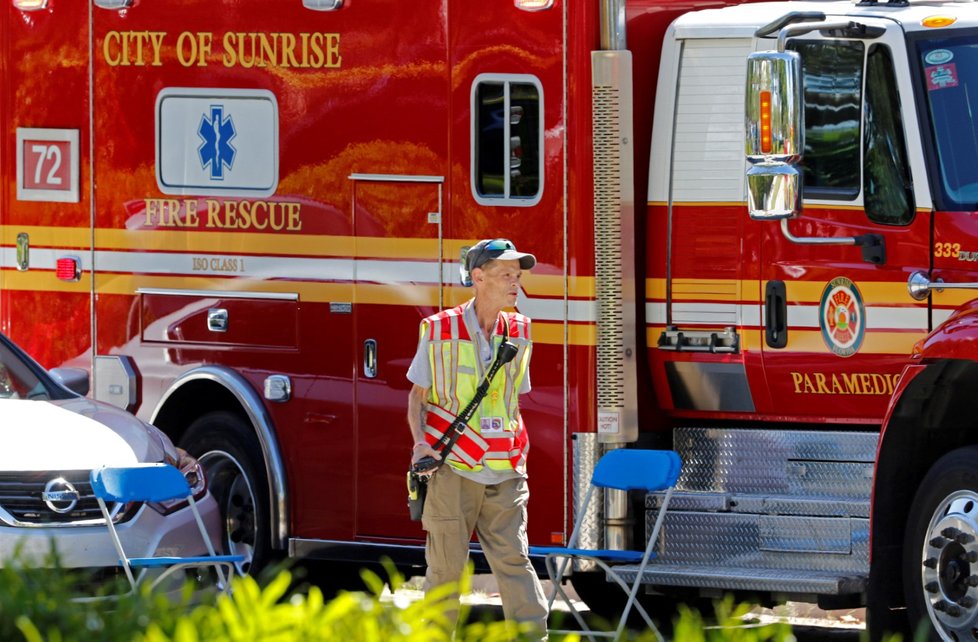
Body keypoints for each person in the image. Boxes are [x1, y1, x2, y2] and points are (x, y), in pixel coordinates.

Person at [406, 238, 549, 637]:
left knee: (515, 562)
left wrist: (517, 451)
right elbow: (417, 398)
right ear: (478, 277)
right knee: (446, 571)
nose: (514, 283)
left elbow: (512, 400)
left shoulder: (520, 329)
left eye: (517, 276)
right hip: (452, 468)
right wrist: (421, 443)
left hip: (505, 468)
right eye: (506, 274)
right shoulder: (437, 329)